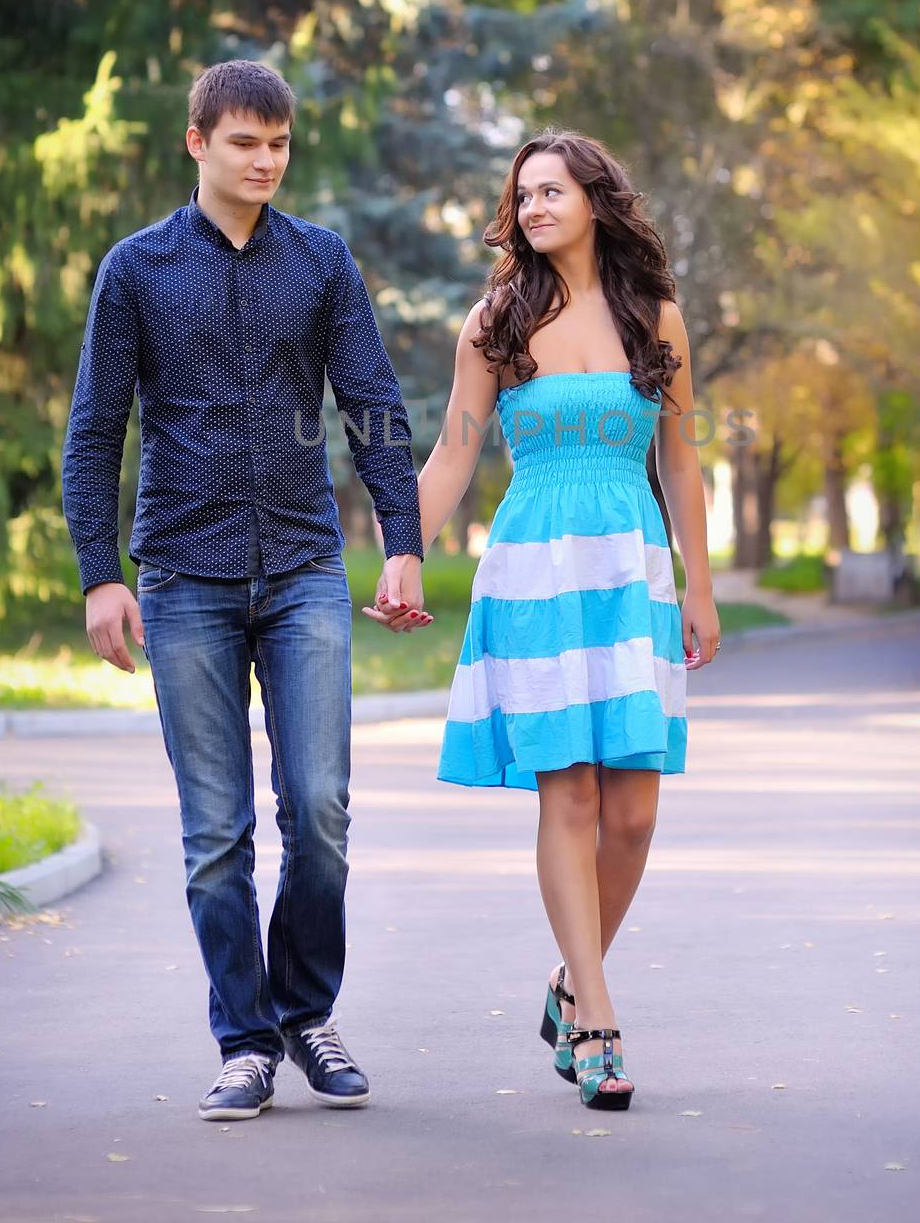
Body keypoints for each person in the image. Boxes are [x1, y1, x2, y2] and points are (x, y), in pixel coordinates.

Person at [61, 59, 429, 1121]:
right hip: (182, 576)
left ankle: (307, 1013)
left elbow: (372, 401)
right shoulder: (136, 269)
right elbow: (96, 431)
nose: (264, 160)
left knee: (318, 811)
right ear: (198, 143)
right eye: (244, 142)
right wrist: (101, 577)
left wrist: (400, 538)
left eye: (278, 143)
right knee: (215, 832)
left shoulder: (320, 261)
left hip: (305, 567)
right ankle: (246, 1038)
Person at [364, 128, 720, 1113]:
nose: (533, 208)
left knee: (636, 810)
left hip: (629, 568)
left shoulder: (657, 318)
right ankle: (599, 1020)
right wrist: (406, 549)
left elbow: (683, 462)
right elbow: (451, 453)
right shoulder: (495, 321)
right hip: (533, 570)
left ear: (597, 201)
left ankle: (569, 982)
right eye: (522, 195)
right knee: (568, 797)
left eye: (552, 191)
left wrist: (699, 583)